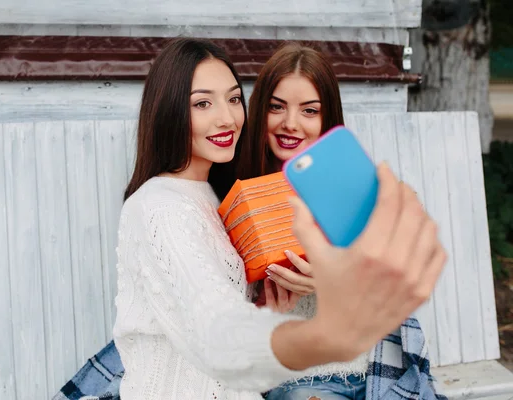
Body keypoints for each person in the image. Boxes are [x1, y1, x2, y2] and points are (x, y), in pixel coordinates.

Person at [111, 37, 446, 400]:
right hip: (291, 381)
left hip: (357, 368)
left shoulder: (221, 190)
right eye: (276, 107)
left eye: (233, 99)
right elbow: (216, 319)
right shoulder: (227, 194)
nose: (290, 124)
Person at [235, 43, 446, 399]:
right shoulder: (241, 197)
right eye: (277, 107)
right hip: (299, 381)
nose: (291, 123)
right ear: (260, 111)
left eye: (309, 110)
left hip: (377, 372)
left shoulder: (357, 186)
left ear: (327, 117)